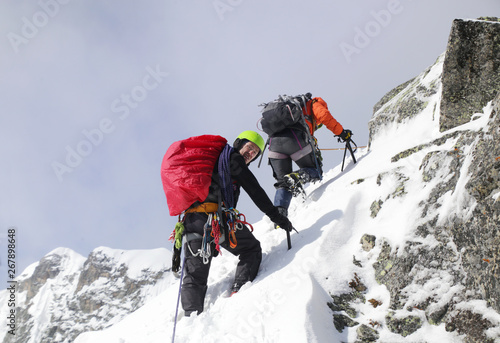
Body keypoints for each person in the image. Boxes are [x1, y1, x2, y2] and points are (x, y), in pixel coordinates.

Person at [180, 130, 294, 316]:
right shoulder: (234, 160)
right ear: (239, 144)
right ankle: (239, 291)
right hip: (218, 221)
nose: (251, 153)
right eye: (249, 147)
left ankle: (190, 318)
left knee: (195, 275)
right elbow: (255, 191)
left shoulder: (217, 160)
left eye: (255, 152)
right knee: (251, 249)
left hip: (192, 221)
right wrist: (277, 216)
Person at [268, 95, 352, 219]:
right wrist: (342, 133)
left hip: (273, 145)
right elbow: (324, 116)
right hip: (295, 139)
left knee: (283, 183)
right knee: (315, 171)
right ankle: (297, 177)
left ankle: (279, 215)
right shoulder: (313, 103)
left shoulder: (287, 112)